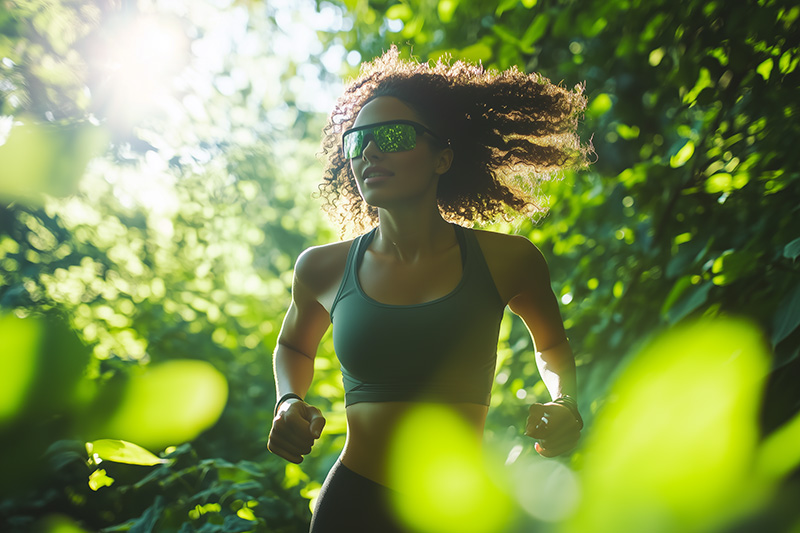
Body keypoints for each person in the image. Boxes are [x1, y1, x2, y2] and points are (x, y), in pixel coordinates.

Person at [267, 46, 589, 532]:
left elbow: (552, 346)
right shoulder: (321, 268)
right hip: (353, 507)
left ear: (443, 157)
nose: (370, 152)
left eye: (392, 136)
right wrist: (288, 400)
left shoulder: (510, 261)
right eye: (357, 141)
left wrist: (565, 400)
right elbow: (293, 344)